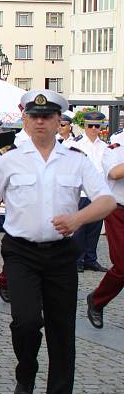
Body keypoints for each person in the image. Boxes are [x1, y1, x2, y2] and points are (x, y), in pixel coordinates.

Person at [0, 89, 114, 394]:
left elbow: (106, 200)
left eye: (47, 116)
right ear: (24, 118)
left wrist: (77, 220)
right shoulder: (9, 159)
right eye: (34, 116)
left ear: (58, 121)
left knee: (62, 330)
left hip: (62, 255)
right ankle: (26, 374)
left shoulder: (75, 160)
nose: (40, 121)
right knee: (25, 322)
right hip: (21, 252)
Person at [64, 111, 109, 273]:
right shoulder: (75, 144)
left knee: (94, 228)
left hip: (97, 193)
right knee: (79, 228)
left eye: (97, 126)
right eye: (90, 126)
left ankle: (91, 259)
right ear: (85, 126)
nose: (94, 129)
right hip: (80, 192)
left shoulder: (105, 146)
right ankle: (77, 260)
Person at [87, 139, 124, 329]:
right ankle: (96, 300)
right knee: (122, 265)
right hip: (118, 210)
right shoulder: (115, 148)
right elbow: (115, 173)